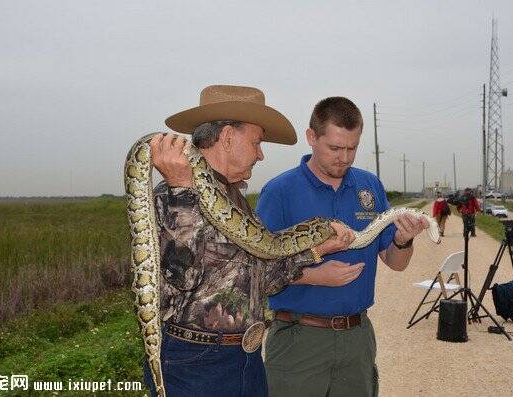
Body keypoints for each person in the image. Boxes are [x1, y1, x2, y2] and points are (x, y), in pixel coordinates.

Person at [144, 85, 362, 397]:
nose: (261, 154)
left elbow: (264, 279)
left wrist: (316, 250)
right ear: (228, 137)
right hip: (195, 364)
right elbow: (180, 276)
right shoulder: (172, 195)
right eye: (257, 142)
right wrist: (181, 188)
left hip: (244, 358)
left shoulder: (236, 200)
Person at [255, 96, 429, 397]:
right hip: (298, 339)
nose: (345, 158)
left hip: (357, 337)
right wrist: (316, 276)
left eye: (352, 148)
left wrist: (404, 239)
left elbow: (396, 262)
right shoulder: (280, 191)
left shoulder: (369, 187)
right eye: (335, 148)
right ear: (312, 137)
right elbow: (256, 270)